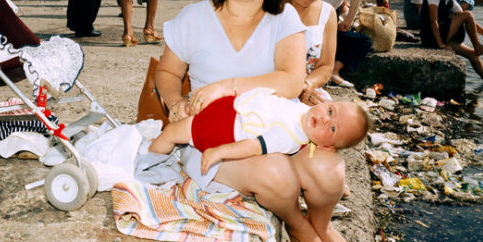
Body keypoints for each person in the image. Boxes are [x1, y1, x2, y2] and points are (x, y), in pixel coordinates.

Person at [155, 0, 364, 242]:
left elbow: (289, 81)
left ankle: (323, 224)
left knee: (331, 174)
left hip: (280, 130)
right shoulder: (193, 18)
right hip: (216, 136)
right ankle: (298, 226)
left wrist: (227, 86)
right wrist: (175, 102)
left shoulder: (284, 19)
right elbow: (167, 74)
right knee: (278, 175)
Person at [149, 89, 370, 175]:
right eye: (330, 110)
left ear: (326, 147)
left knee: (173, 132)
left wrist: (219, 152)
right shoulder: (306, 111)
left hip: (223, 127)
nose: (324, 118)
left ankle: (149, 162)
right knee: (178, 127)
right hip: (231, 108)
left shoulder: (289, 137)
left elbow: (253, 146)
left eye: (332, 128)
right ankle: (161, 153)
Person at [420, 0, 483, 85]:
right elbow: (433, 22)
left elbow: (470, 22)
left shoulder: (450, 1)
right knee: (468, 14)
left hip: (441, 36)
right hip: (431, 38)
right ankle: (478, 47)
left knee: (473, 55)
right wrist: (441, 45)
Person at [320, 0, 370, 88]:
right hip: (324, 35)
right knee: (364, 41)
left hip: (312, 31)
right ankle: (334, 71)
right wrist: (348, 21)